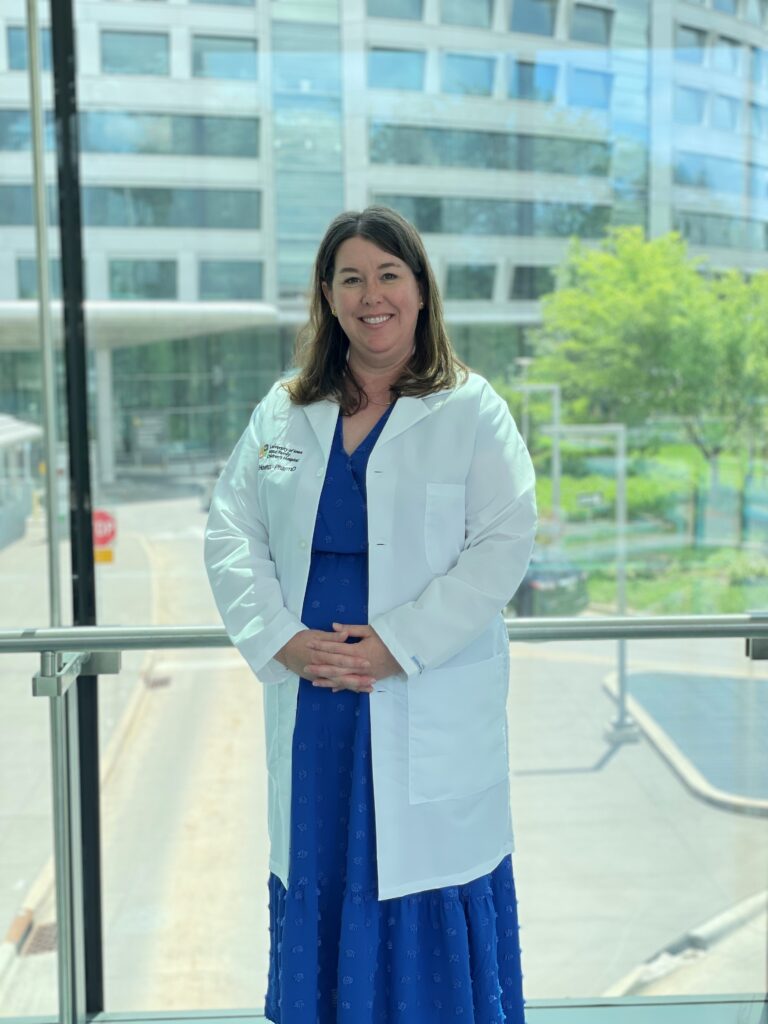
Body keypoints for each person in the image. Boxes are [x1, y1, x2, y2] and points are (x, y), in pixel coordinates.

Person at [204, 205, 537, 1023]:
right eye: (350, 278)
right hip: (315, 693)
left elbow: (505, 541)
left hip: (421, 689)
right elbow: (230, 531)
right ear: (327, 295)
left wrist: (398, 645)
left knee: (426, 876)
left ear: (421, 292)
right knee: (322, 869)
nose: (371, 294)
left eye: (389, 275)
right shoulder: (285, 411)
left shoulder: (470, 408)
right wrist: (280, 638)